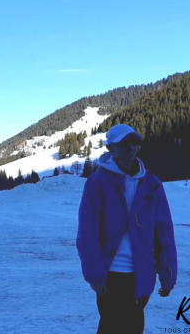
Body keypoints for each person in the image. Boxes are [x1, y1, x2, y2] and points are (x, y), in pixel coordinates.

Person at [76, 124, 178, 334]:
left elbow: (164, 233)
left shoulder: (153, 184)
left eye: (134, 143)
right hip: (111, 275)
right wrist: (94, 275)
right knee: (112, 326)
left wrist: (168, 276)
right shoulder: (97, 183)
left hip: (141, 273)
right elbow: (88, 233)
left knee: (134, 325)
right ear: (111, 148)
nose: (130, 148)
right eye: (123, 144)